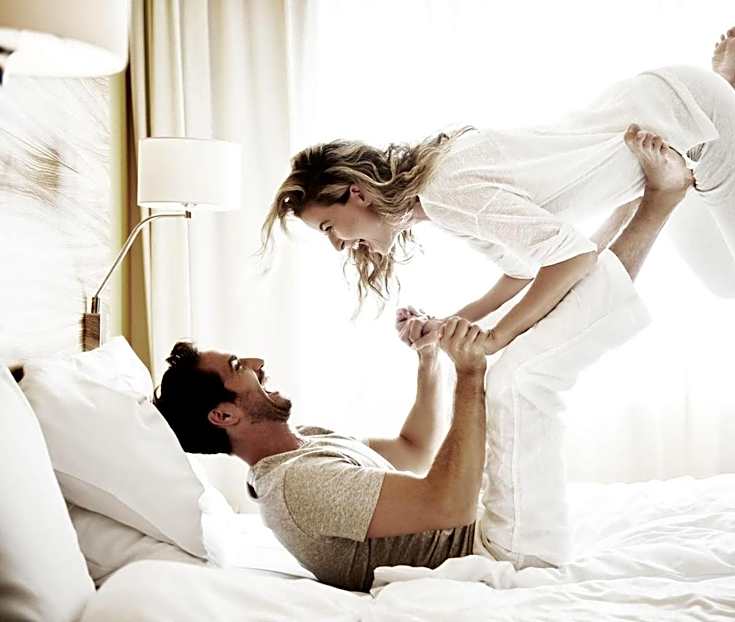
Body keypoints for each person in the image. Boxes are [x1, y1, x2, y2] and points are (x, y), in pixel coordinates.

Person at [155, 130, 690, 590]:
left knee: (531, 347)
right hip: (502, 551)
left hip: (490, 528)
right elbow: (447, 505)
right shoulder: (297, 488)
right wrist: (470, 374)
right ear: (223, 415)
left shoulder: (306, 445)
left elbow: (414, 449)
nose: (256, 361)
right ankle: (658, 201)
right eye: (237, 368)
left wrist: (429, 360)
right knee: (521, 376)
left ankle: (640, 201)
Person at [261, 25, 735, 358]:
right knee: (727, 283)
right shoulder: (438, 201)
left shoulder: (447, 191)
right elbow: (524, 270)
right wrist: (452, 323)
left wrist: (496, 338)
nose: (337, 245)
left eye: (327, 227)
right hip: (664, 145)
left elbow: (571, 256)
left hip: (685, 116)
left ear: (355, 192)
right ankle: (728, 94)